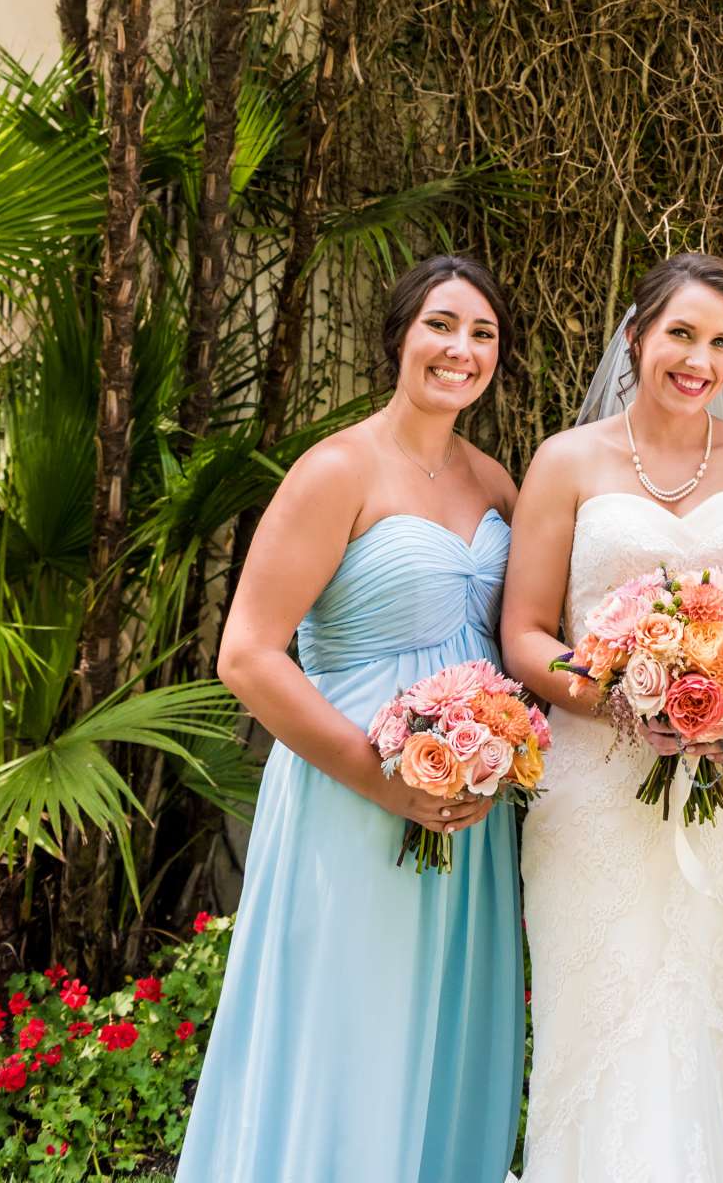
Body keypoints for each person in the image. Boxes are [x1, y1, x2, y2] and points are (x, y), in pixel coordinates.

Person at [177, 253, 524, 1183]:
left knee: (443, 1013)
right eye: (441, 326)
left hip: (466, 801)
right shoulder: (336, 470)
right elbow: (246, 653)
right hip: (354, 790)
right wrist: (382, 778)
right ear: (399, 338)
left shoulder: (495, 484)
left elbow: (517, 640)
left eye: (482, 333)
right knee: (351, 1017)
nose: (461, 349)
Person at [501, 249, 723, 1183]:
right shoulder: (566, 462)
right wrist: (631, 703)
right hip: (594, 791)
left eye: (721, 342)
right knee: (599, 1009)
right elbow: (522, 632)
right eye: (681, 333)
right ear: (636, 335)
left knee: (719, 1006)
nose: (700, 359)